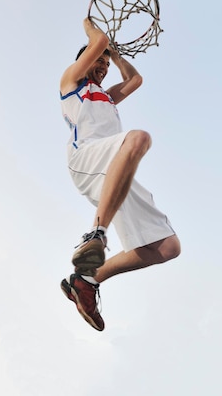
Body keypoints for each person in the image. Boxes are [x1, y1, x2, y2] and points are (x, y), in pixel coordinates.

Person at [59, 17, 180, 331]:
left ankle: (87, 281)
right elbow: (96, 42)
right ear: (83, 61)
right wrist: (89, 27)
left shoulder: (108, 96)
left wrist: (113, 54)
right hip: (86, 160)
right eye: (97, 61)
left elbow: (135, 79)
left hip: (113, 168)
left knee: (167, 247)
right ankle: (96, 234)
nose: (102, 66)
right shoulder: (71, 83)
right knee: (138, 138)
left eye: (105, 64)